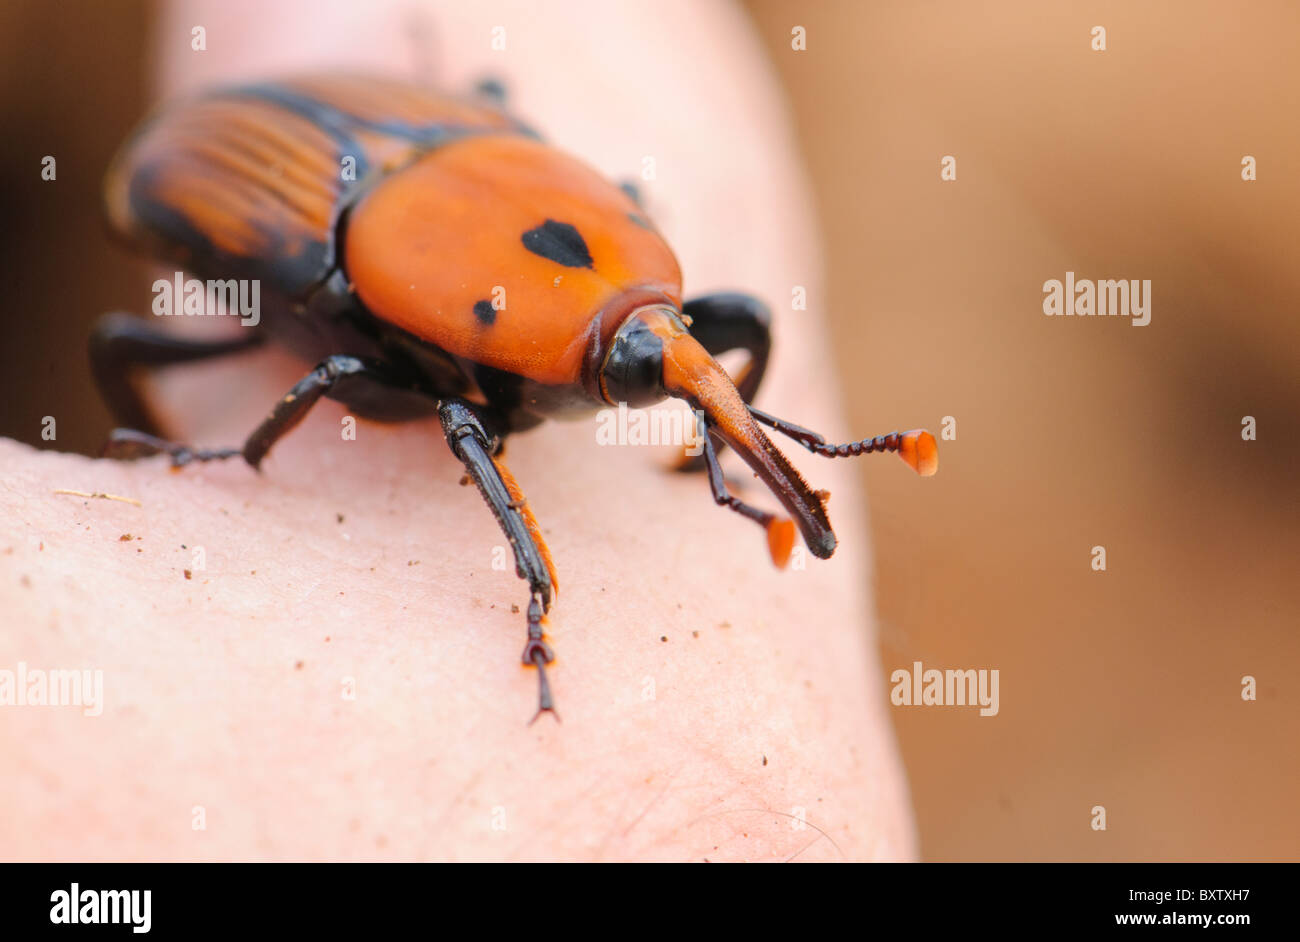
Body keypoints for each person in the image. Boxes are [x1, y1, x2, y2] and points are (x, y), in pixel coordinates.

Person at [0, 0, 914, 861]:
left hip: (430, 144)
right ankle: (525, 586)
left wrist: (702, 423)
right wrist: (231, 460)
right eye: (650, 372)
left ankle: (689, 460)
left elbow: (725, 328)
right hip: (250, 174)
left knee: (738, 318)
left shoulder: (626, 299)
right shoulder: (440, 367)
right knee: (186, 354)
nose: (692, 368)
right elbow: (341, 377)